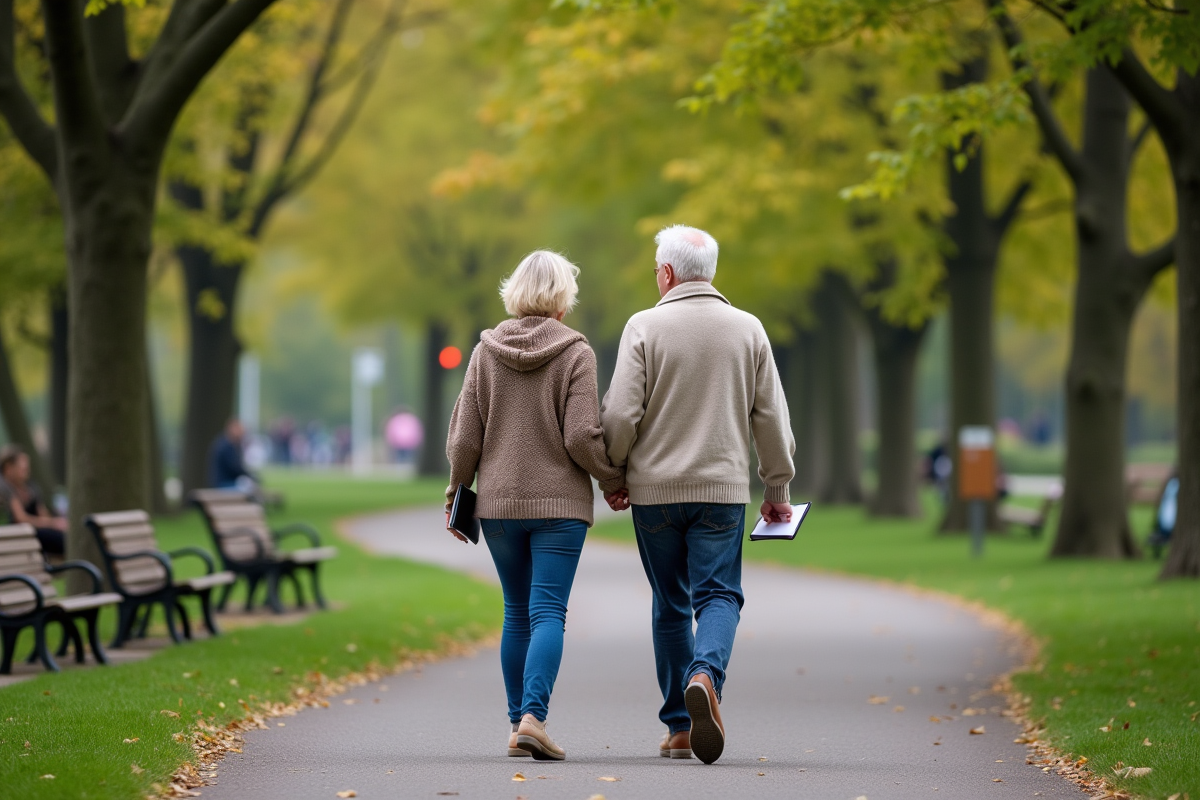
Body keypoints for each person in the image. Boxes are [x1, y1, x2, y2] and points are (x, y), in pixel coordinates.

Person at [600, 225, 795, 765]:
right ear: (709, 272)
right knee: (718, 596)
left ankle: (681, 728)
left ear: (666, 273)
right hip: (721, 491)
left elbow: (619, 413)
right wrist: (776, 485)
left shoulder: (643, 326)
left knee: (670, 603)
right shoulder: (748, 329)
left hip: (655, 493)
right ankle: (705, 675)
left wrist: (614, 474)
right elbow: (771, 416)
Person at [445, 250, 625, 762]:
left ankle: (515, 723)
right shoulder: (577, 353)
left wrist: (456, 493)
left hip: (498, 506)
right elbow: (583, 437)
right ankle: (534, 718)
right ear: (563, 299)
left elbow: (463, 440)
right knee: (548, 611)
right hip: (559, 507)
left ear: (515, 291)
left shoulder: (485, 351)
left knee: (515, 613)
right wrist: (613, 479)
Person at [0, 444, 66, 556]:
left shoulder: (31, 487)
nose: (26, 468)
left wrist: (55, 523)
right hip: (18, 536)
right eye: (22, 465)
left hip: (34, 533)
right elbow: (21, 518)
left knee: (62, 535)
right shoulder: (4, 487)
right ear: (8, 468)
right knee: (63, 540)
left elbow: (43, 514)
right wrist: (53, 523)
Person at [208, 419, 255, 489]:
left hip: (226, 482)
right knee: (248, 489)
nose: (242, 432)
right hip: (222, 483)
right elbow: (235, 468)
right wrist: (251, 476)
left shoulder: (229, 444)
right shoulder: (225, 445)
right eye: (240, 429)